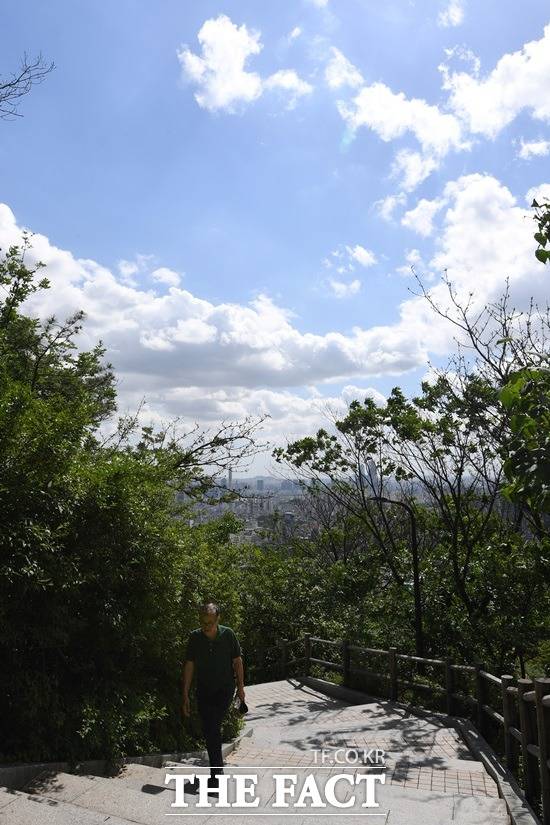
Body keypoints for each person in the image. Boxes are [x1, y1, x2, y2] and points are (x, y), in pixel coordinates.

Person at [182, 602, 245, 790]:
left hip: (224, 690)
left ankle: (216, 775)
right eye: (203, 622)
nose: (206, 626)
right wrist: (185, 694)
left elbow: (238, 661)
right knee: (211, 730)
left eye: (210, 622)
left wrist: (241, 688)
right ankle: (217, 772)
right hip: (204, 690)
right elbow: (189, 665)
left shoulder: (228, 635)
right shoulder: (195, 638)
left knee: (212, 726)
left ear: (218, 619)